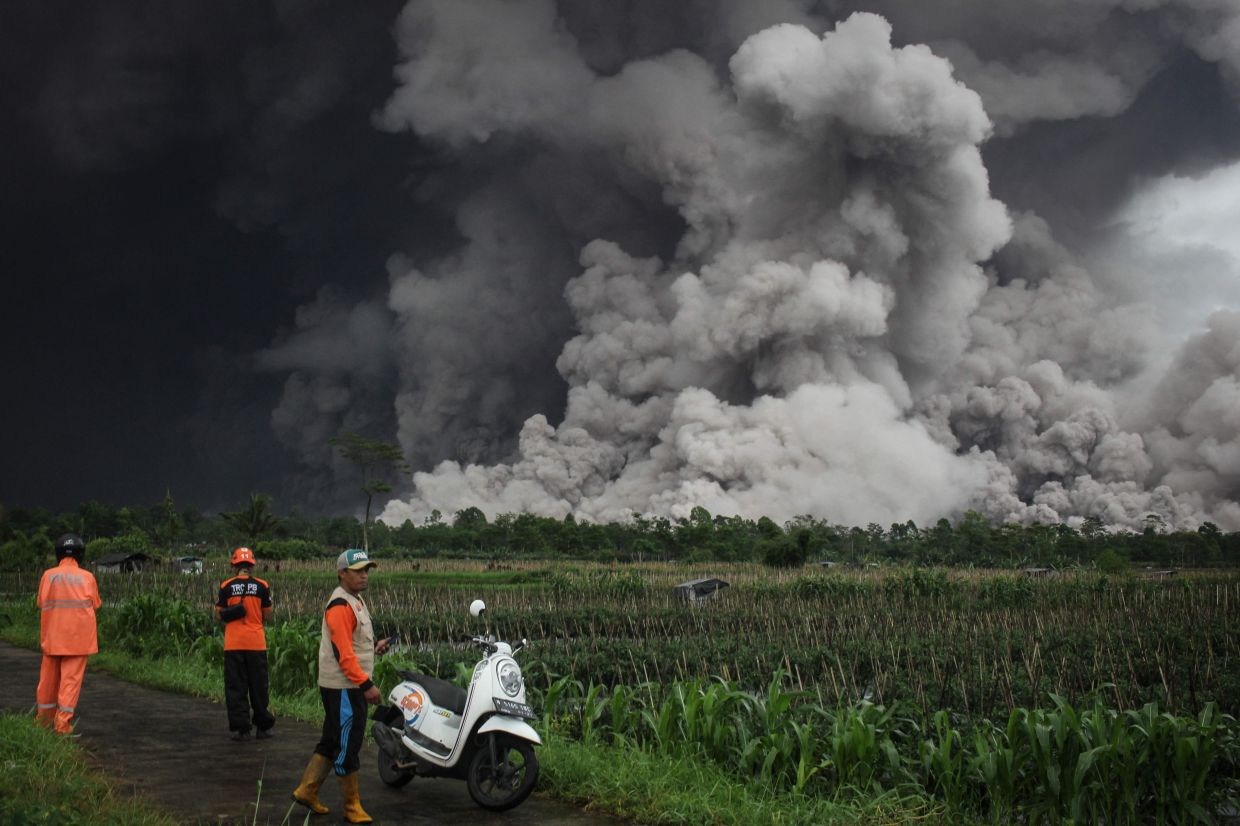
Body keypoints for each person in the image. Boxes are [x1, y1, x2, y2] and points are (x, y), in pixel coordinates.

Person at [292, 548, 391, 824]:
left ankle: (306, 790)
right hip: (345, 687)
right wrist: (366, 685)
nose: (364, 575)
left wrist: (373, 648)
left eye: (366, 570)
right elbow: (343, 653)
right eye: (358, 570)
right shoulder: (340, 606)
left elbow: (352, 644)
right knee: (348, 742)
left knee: (333, 738)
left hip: (346, 685)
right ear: (342, 573)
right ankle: (351, 806)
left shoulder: (354, 600)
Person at [36, 533, 101, 735]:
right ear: (81, 554)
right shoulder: (88, 577)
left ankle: (43, 723)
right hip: (78, 641)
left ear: (58, 554)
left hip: (53, 638)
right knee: (69, 683)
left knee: (47, 682)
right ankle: (62, 726)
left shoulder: (48, 576)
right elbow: (96, 604)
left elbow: (40, 602)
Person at [215, 546, 274, 741]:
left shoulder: (226, 586)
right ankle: (263, 728)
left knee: (236, 687)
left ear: (234, 566)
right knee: (259, 686)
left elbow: (218, 615)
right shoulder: (262, 586)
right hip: (256, 643)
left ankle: (242, 729)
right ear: (252, 566)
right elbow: (267, 615)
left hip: (233, 644)